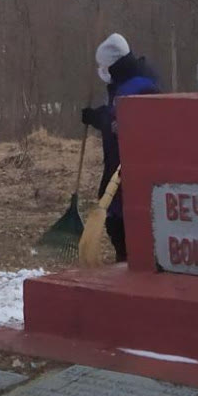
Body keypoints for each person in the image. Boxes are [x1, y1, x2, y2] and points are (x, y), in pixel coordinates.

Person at [80, 33, 159, 263]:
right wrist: (98, 117)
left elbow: (135, 126)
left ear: (114, 65)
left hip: (133, 167)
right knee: (114, 215)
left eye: (105, 66)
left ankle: (130, 262)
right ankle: (124, 258)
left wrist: (103, 119)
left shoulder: (143, 86)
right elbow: (116, 119)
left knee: (124, 219)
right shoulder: (123, 83)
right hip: (116, 163)